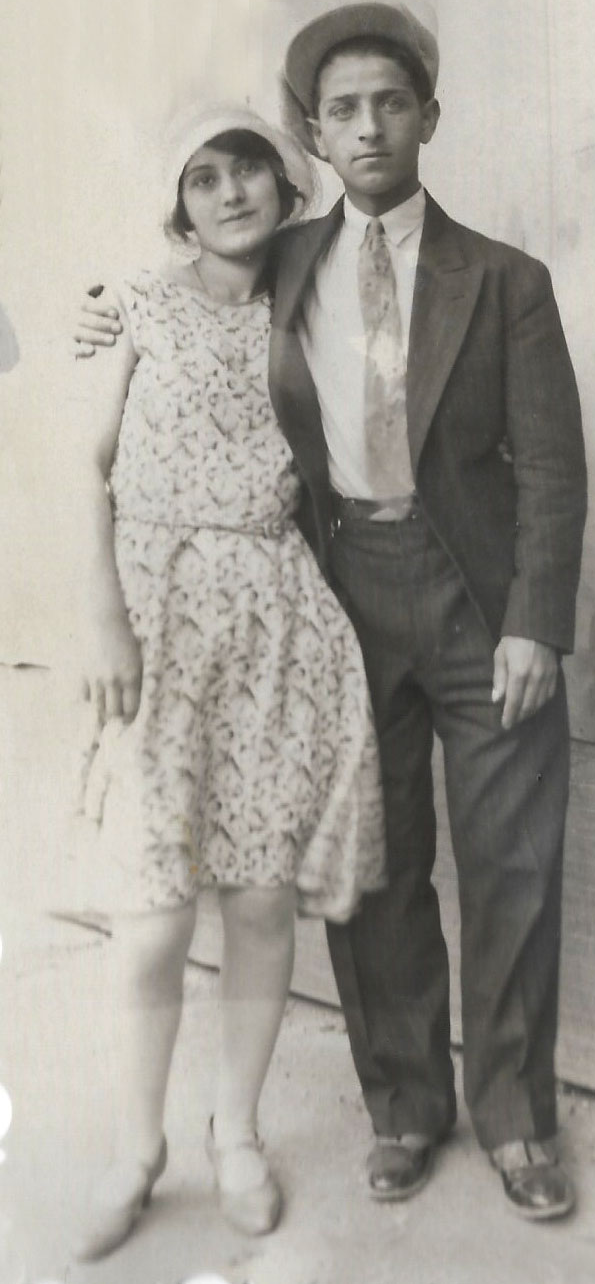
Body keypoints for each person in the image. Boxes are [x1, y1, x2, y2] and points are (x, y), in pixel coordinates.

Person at [73, 2, 588, 1221]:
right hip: (339, 589)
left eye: (389, 104)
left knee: (511, 860)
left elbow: (553, 462)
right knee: (376, 859)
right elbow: (177, 285)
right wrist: (99, 309)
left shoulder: (505, 280)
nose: (367, 128)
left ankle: (516, 1118)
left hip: (476, 598)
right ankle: (404, 1103)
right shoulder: (284, 256)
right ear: (315, 131)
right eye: (342, 110)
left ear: (428, 118)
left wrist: (534, 619)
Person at [63, 104, 385, 1261]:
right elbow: (85, 465)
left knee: (257, 901)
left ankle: (235, 1130)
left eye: (249, 170)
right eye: (203, 178)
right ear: (179, 206)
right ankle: (135, 1148)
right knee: (152, 917)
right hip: (156, 621)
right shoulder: (134, 307)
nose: (231, 192)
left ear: (286, 191)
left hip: (274, 628)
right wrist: (102, 615)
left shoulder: (314, 309)